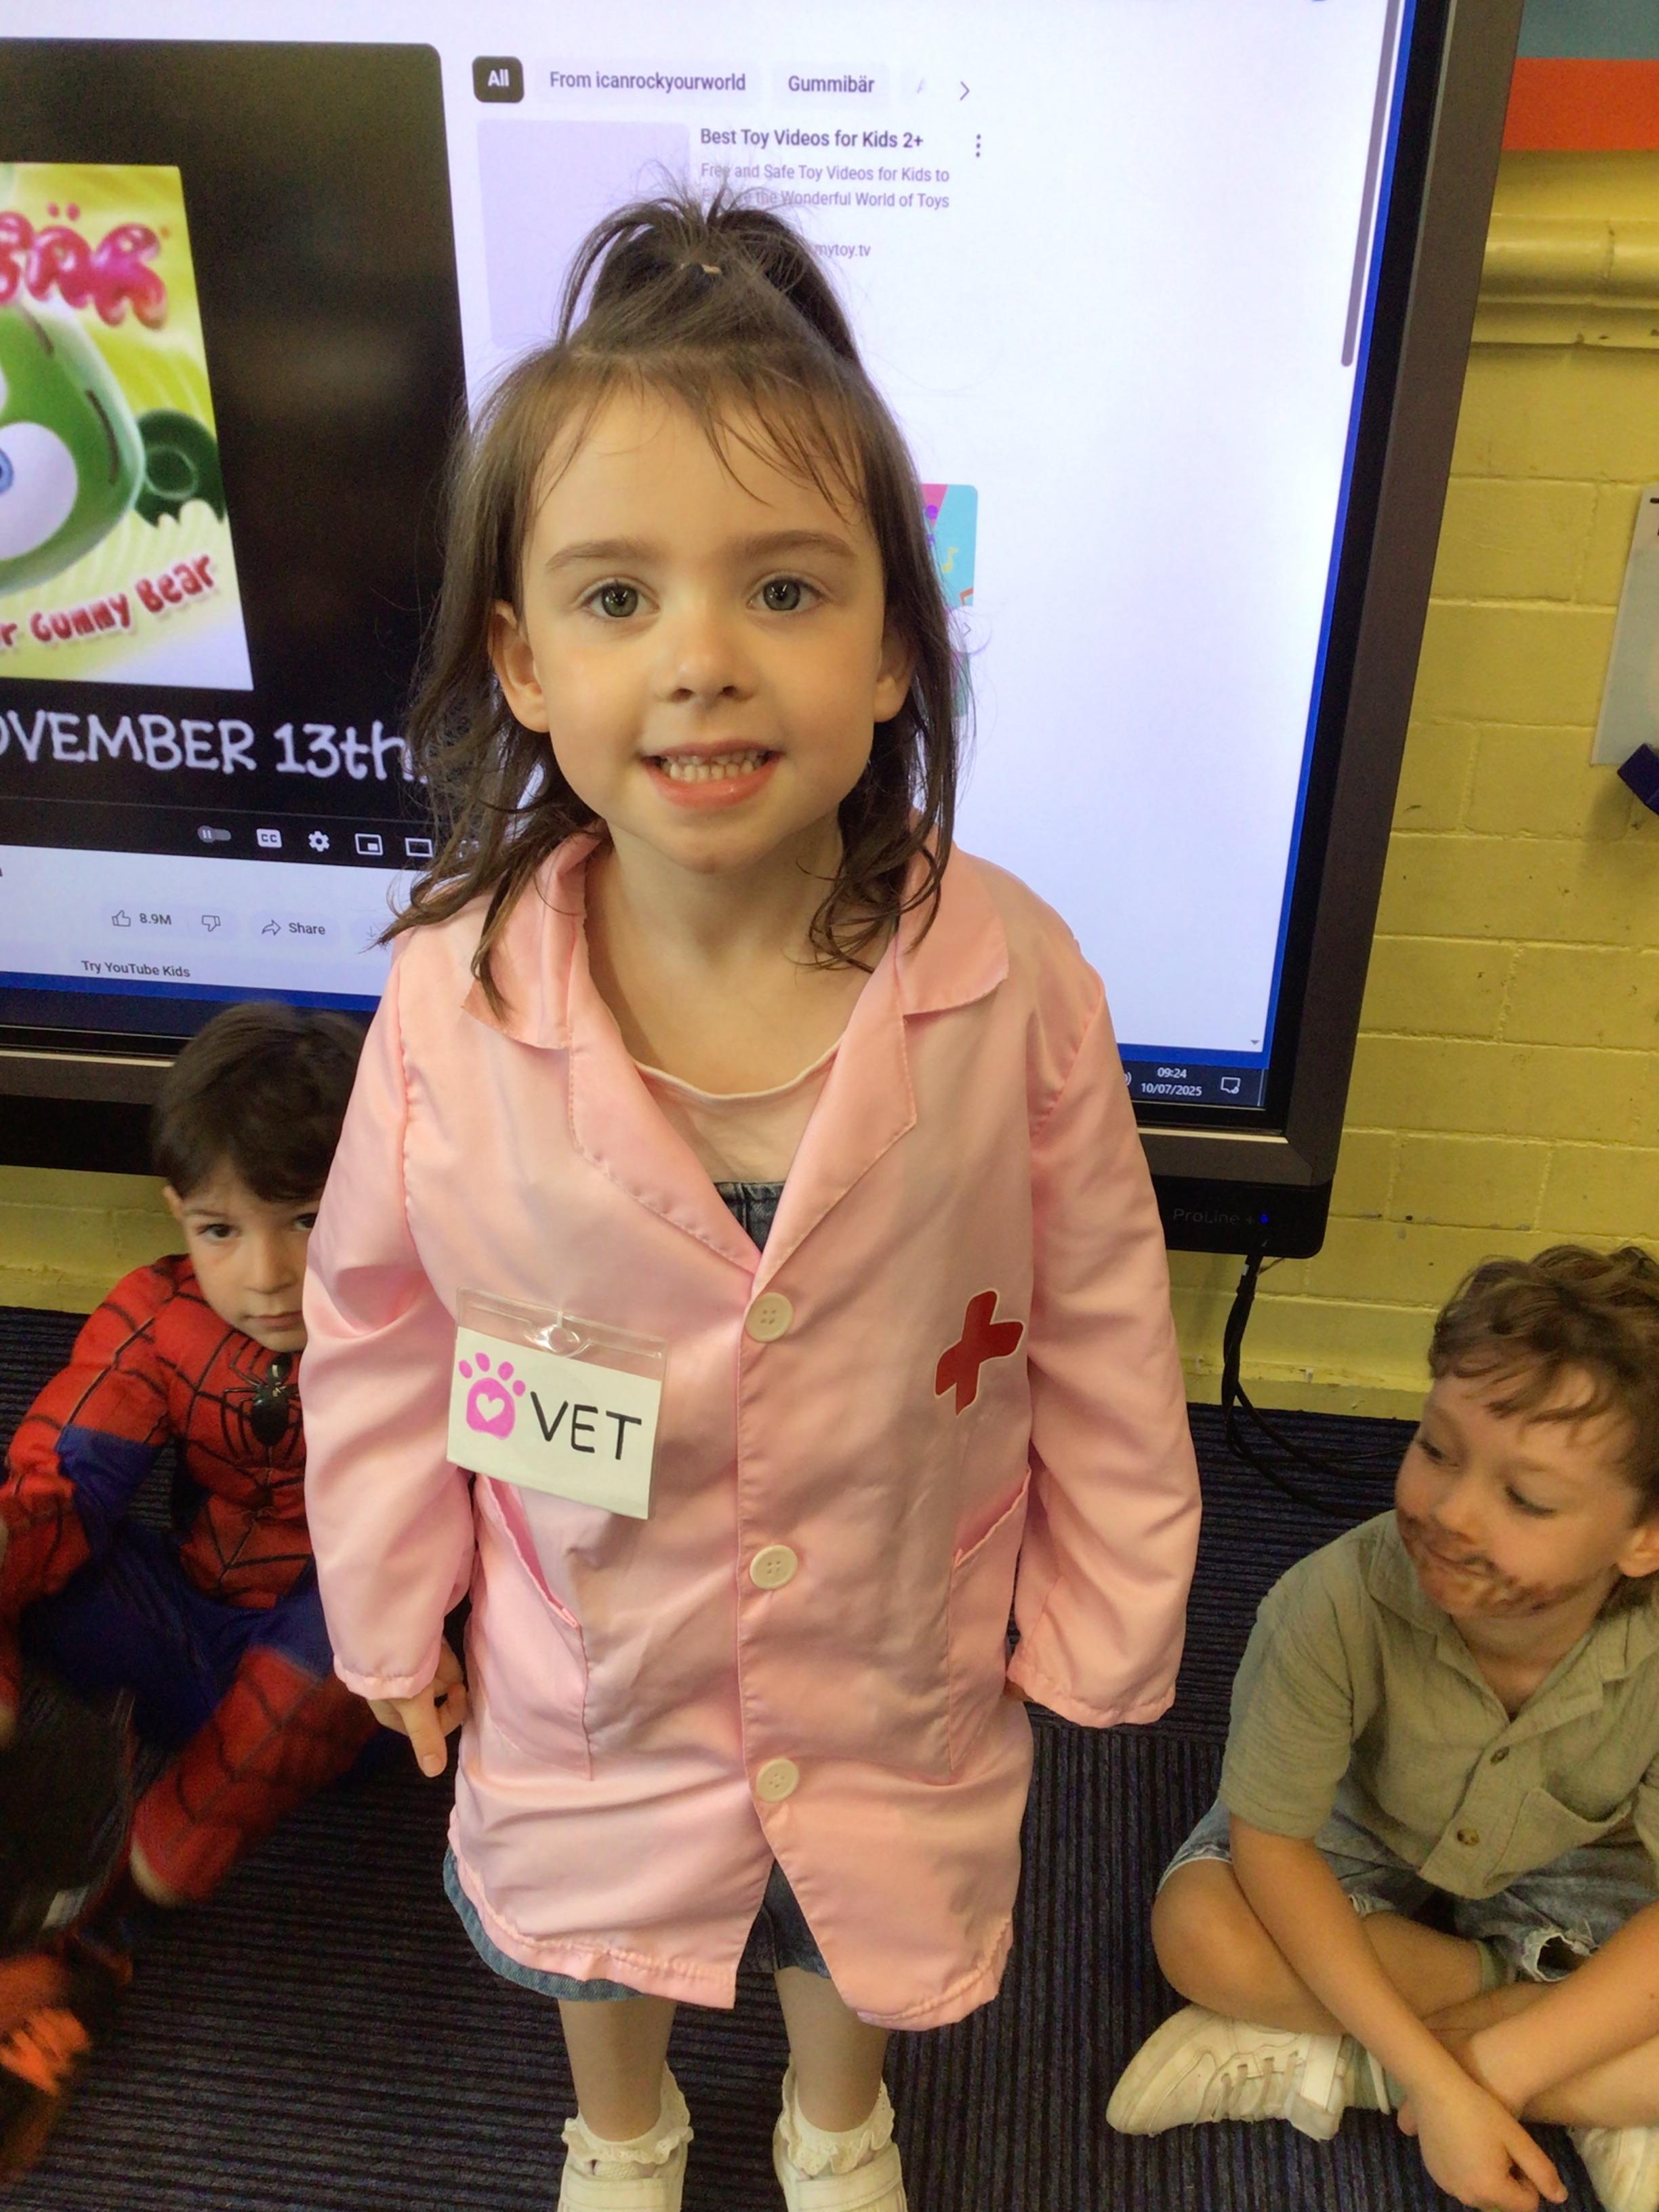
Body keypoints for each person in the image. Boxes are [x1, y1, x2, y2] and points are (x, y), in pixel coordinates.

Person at [302, 189, 1200, 2212]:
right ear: (524, 661)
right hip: (587, 1628)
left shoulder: (1012, 977)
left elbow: (1104, 1309)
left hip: (895, 1610)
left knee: (851, 1906)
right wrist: (389, 1593)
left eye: (784, 590)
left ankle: (834, 2119)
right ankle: (621, 2130)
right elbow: (379, 1322)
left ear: (892, 648)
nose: (702, 662)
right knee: (592, 1926)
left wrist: (1114, 1599)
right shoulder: (452, 996)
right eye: (619, 599)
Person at [1109, 1243, 1659, 2212]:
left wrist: (1495, 2069)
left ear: (1644, 1538)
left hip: (1585, 1866)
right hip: (1365, 1835)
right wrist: (1446, 2075)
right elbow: (1272, 1847)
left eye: (1526, 1498)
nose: (1451, 1512)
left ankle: (1350, 2069)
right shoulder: (1328, 1604)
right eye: (1435, 1449)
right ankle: (1584, 2077)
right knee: (1200, 1932)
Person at [0, 1000, 376, 1911]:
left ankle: (159, 1854)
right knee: (26, 1518)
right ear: (178, 1214)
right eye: (221, 1230)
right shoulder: (159, 1317)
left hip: (346, 1687)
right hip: (177, 1620)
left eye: (307, 1220)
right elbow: (63, 1478)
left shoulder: (422, 1334)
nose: (267, 1275)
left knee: (365, 1618)